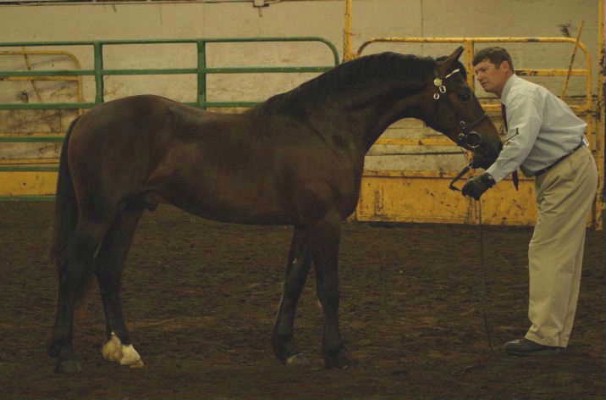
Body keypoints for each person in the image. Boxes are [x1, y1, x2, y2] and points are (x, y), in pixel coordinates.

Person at [464, 47, 598, 356]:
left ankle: (545, 335)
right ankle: (554, 332)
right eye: (477, 72)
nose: (480, 77)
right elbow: (523, 142)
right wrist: (493, 158)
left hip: (564, 172)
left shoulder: (521, 97)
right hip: (564, 169)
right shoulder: (517, 97)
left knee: (547, 251)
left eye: (484, 69)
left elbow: (521, 143)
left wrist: (488, 178)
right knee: (561, 254)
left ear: (505, 67)